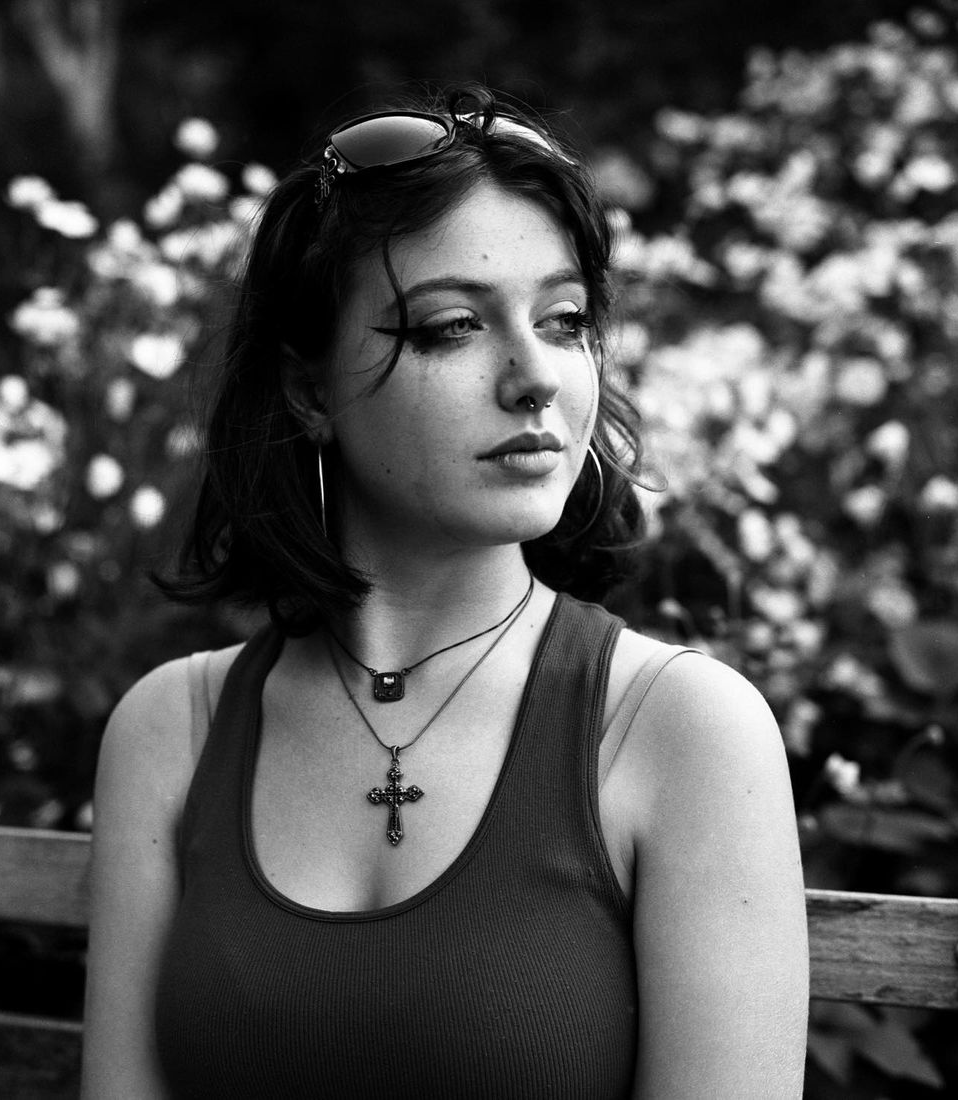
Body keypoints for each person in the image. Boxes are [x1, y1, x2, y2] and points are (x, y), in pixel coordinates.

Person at [81, 84, 809, 1098]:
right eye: (452, 326)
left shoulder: (682, 731)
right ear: (308, 390)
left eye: (564, 320)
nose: (534, 377)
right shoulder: (174, 730)